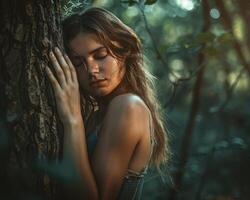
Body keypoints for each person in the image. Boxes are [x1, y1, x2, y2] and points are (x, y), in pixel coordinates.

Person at [44, 7, 169, 200]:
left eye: (100, 55)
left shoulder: (129, 106)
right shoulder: (102, 112)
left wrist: (72, 120)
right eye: (78, 62)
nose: (91, 70)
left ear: (123, 50)